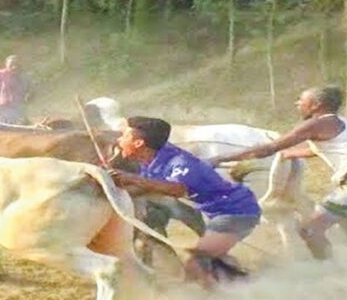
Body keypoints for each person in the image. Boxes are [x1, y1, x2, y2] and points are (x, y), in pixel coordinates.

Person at [210, 86, 347, 259]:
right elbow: (318, 151)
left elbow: (266, 149)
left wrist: (219, 159)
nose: (298, 103)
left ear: (316, 105)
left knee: (309, 230)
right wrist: (287, 155)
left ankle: (331, 272)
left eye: (302, 100)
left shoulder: (316, 124)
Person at [110, 116, 261, 284]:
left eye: (124, 136)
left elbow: (176, 189)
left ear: (139, 143)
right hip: (219, 212)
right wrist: (113, 188)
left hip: (235, 211)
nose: (119, 140)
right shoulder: (151, 158)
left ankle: (239, 294)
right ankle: (242, 285)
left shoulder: (180, 163)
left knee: (196, 264)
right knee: (212, 258)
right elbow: (146, 188)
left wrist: (132, 178)